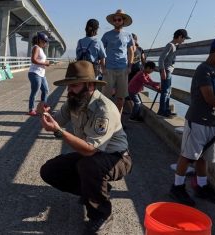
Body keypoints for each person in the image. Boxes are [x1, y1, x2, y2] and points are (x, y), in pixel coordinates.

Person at [37, 61, 132, 234]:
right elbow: (54, 123)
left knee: (88, 166)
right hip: (92, 155)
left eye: (74, 85)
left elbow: (89, 150)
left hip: (117, 158)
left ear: (90, 85)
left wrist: (59, 132)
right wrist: (42, 113)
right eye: (68, 86)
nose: (69, 90)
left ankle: (101, 215)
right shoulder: (74, 102)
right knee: (49, 170)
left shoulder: (104, 109)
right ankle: (93, 193)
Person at [169, 37, 215, 206]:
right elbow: (210, 98)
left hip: (214, 122)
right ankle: (177, 187)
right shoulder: (203, 70)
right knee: (188, 155)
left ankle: (201, 186)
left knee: (203, 156)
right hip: (198, 120)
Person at [101, 9, 135, 114]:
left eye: (119, 19)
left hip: (123, 69)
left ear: (123, 21)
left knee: (121, 98)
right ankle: (104, 119)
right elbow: (101, 52)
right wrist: (102, 67)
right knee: (105, 97)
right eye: (115, 20)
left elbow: (131, 52)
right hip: (109, 69)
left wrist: (129, 66)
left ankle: (118, 122)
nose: (116, 21)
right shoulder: (106, 35)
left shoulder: (128, 35)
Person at [157, 29, 191, 118]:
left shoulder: (174, 45)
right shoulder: (170, 45)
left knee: (168, 91)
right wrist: (162, 70)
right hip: (166, 71)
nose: (183, 41)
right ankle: (162, 111)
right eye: (183, 39)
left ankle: (166, 109)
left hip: (168, 70)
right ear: (180, 37)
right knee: (165, 91)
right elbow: (161, 59)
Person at [27, 32, 50, 116]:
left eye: (46, 41)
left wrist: (45, 63)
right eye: (44, 41)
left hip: (41, 74)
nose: (45, 43)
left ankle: (42, 108)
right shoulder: (36, 47)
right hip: (35, 73)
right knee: (35, 91)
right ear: (39, 40)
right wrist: (45, 63)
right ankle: (31, 109)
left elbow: (40, 61)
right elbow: (33, 60)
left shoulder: (41, 49)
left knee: (46, 90)